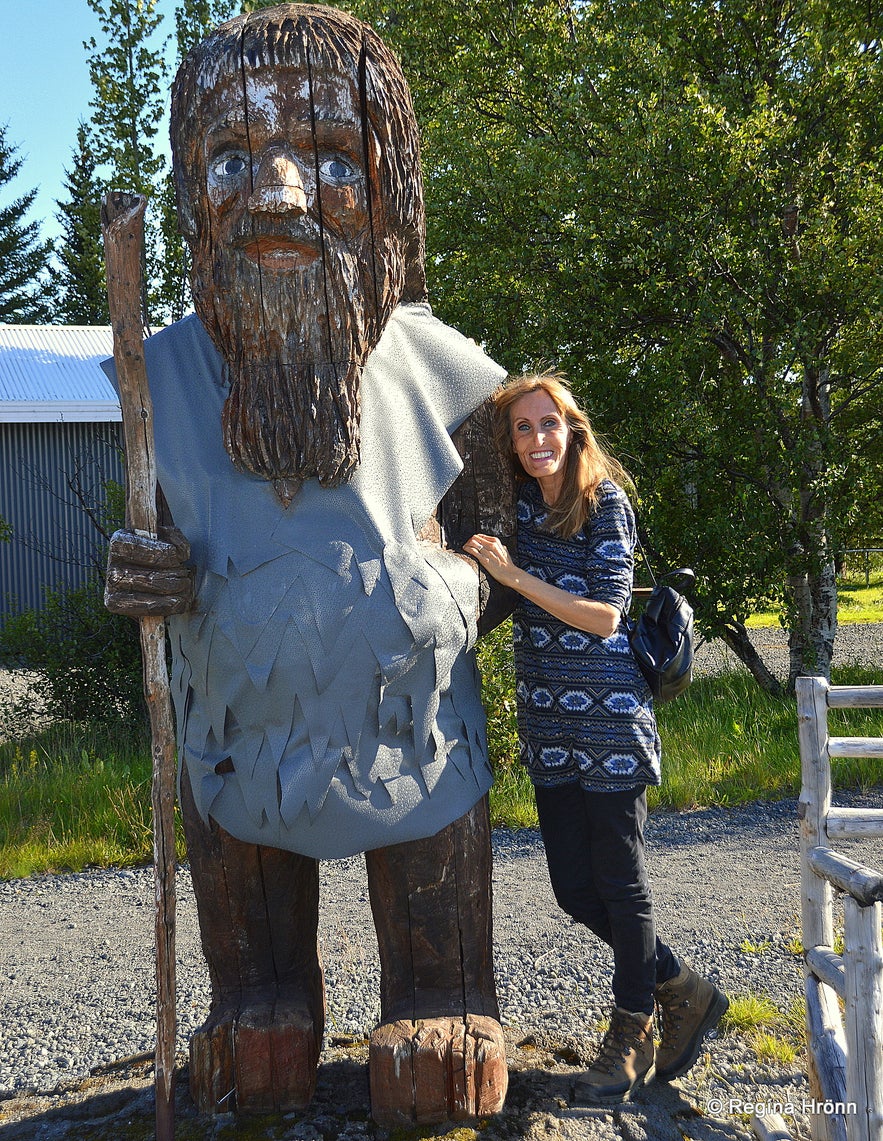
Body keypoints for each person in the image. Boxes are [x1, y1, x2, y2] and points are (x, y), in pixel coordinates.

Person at [103, 4, 513, 1126]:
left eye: (328, 156)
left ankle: (443, 987)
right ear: (191, 187)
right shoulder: (162, 381)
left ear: (392, 188)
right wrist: (149, 572)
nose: (278, 193)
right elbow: (158, 527)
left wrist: (457, 589)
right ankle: (260, 991)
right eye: (234, 156)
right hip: (239, 731)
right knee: (238, 836)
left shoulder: (448, 377)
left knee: (429, 838)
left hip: (411, 736)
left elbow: (500, 534)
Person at [465, 371, 728, 1104]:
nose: (536, 438)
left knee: (619, 881)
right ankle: (682, 987)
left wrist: (513, 575)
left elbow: (606, 616)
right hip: (548, 719)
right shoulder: (516, 504)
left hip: (609, 717)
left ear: (571, 429)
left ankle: (630, 1034)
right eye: (521, 428)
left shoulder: (602, 500)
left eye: (547, 423)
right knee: (573, 888)